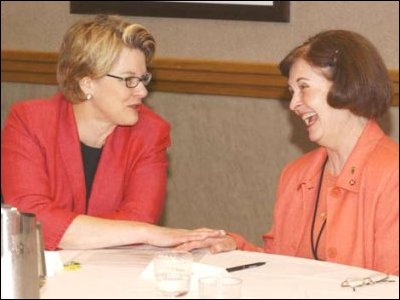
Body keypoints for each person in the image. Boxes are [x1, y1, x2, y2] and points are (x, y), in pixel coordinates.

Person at [177, 30, 399, 275]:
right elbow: (281, 266)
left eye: (303, 87)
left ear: (347, 85)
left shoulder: (392, 175)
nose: (293, 104)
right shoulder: (296, 175)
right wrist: (235, 247)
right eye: (292, 92)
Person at [1, 15, 224, 250]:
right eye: (128, 79)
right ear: (86, 83)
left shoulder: (151, 132)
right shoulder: (30, 122)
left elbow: (139, 216)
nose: (142, 91)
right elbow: (30, 219)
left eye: (143, 78)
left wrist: (137, 229)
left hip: (110, 274)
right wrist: (146, 233)